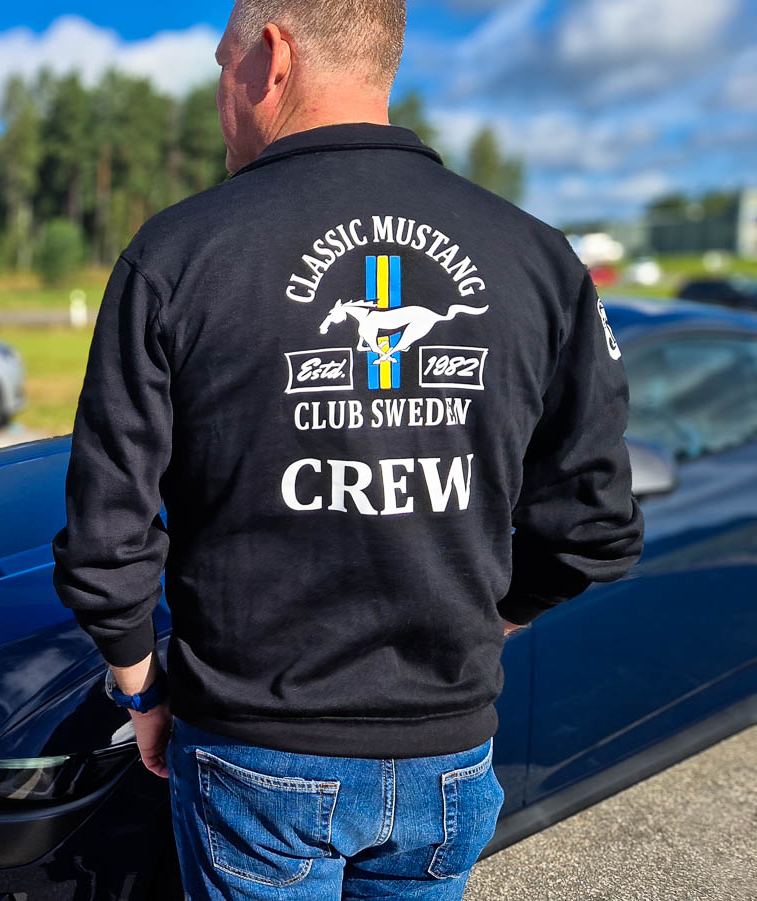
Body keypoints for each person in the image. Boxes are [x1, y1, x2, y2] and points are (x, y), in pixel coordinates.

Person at [50, 1, 645, 899]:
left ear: (274, 57)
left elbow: (106, 536)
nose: (220, 93)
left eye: (224, 64)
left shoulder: (177, 255)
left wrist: (142, 692)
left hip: (258, 755)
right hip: (448, 751)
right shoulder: (540, 259)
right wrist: (484, 626)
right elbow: (594, 526)